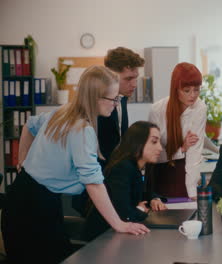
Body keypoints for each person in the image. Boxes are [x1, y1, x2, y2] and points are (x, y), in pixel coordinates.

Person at [1, 66, 150, 264]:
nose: (116, 103)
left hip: (25, 197)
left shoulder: (63, 112)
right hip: (34, 208)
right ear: (96, 97)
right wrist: (119, 224)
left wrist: (23, 161)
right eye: (113, 98)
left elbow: (30, 124)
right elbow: (94, 184)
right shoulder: (82, 129)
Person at [73, 47, 145, 216]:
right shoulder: (94, 105)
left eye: (136, 78)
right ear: (110, 75)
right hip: (93, 188)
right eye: (128, 79)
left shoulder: (123, 99)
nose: (134, 84)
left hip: (113, 185)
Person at [83, 121, 168, 241]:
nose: (160, 148)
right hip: (102, 238)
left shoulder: (135, 167)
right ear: (138, 143)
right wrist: (140, 210)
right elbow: (123, 214)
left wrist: (154, 199)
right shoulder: (123, 168)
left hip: (117, 235)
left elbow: (136, 192)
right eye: (154, 142)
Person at [146, 62, 207, 199]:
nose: (193, 95)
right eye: (187, 91)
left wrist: (192, 193)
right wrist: (182, 149)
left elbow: (194, 153)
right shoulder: (157, 110)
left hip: (182, 169)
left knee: (186, 207)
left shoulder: (200, 108)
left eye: (197, 89)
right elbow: (154, 154)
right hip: (159, 169)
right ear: (176, 89)